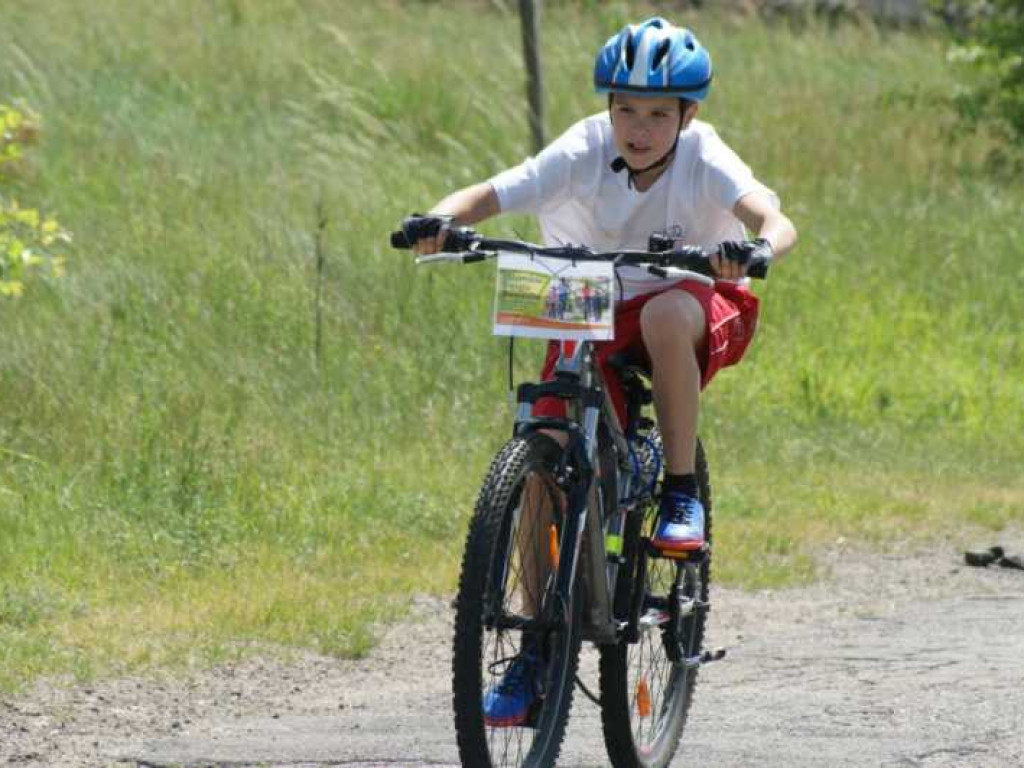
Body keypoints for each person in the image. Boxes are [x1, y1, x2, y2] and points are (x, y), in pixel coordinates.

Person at [402, 16, 797, 727]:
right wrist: (436, 219)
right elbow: (493, 194)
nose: (638, 129)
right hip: (589, 302)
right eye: (625, 110)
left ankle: (680, 491)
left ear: (687, 115)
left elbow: (770, 214)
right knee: (543, 456)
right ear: (608, 107)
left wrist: (759, 246)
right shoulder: (584, 145)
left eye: (657, 115)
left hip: (692, 301)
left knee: (665, 315)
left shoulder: (704, 155)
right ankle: (535, 649)